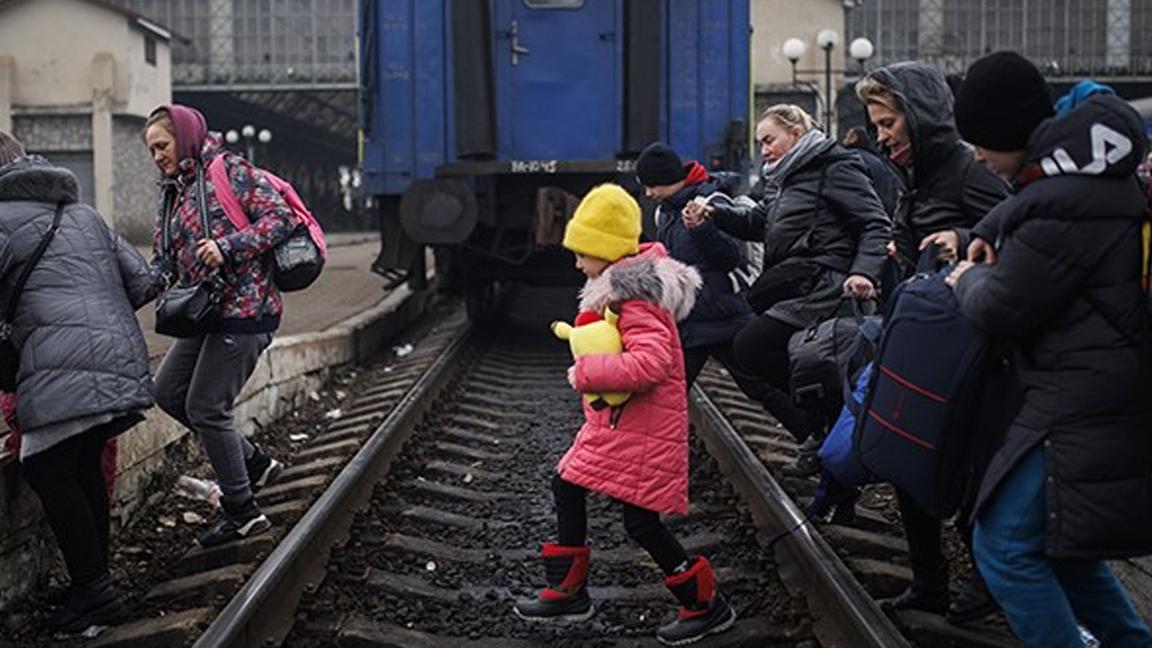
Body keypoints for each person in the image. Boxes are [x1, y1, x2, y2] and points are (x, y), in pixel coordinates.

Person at [949, 51, 1152, 647]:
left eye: (983, 143)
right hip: (1097, 382)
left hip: (1080, 394)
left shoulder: (1063, 198)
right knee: (1061, 545)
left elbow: (1000, 308)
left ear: (1011, 134)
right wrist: (984, 231)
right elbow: (1041, 208)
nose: (979, 157)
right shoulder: (1083, 170)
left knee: (1005, 545)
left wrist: (966, 279)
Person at [513, 184, 736, 645]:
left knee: (641, 522)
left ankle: (705, 603)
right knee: (566, 483)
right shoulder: (620, 286)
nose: (576, 263)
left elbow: (652, 364)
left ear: (608, 252)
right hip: (620, 424)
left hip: (641, 427)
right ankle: (569, 590)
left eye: (583, 253)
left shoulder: (633, 297)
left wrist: (586, 373)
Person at [855, 61, 1011, 623]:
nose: (881, 136)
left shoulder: (970, 172)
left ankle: (990, 587)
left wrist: (965, 237)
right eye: (875, 125)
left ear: (918, 116)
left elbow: (1017, 234)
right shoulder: (913, 176)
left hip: (970, 356)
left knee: (966, 474)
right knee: (907, 463)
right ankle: (929, 583)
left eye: (888, 121)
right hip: (922, 347)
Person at [0, 131, 157, 633]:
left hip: (58, 363)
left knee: (46, 467)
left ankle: (95, 589)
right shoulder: (84, 213)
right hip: (120, 358)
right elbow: (142, 281)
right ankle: (97, 583)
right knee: (83, 461)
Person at [683, 104, 890, 477]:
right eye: (760, 142)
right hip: (799, 287)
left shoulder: (834, 167)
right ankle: (827, 432)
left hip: (828, 287)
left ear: (795, 133)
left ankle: (825, 423)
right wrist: (715, 214)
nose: (763, 150)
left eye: (769, 140)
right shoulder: (785, 178)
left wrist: (863, 272)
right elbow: (758, 222)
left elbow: (875, 223)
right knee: (791, 361)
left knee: (750, 345)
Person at [143, 105, 293, 547]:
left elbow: (280, 218)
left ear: (185, 138)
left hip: (247, 311)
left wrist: (228, 247)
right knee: (168, 392)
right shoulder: (174, 190)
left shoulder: (229, 170)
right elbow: (163, 259)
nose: (156, 156)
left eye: (162, 145)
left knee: (208, 408)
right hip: (206, 314)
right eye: (151, 149)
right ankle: (254, 465)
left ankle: (243, 511)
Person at [635, 142, 812, 442]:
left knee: (759, 387)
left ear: (668, 179)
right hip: (693, 320)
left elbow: (730, 258)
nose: (648, 194)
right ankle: (647, 459)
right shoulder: (666, 211)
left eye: (652, 186)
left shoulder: (711, 202)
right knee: (669, 395)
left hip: (723, 317)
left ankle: (816, 443)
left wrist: (702, 229)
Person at [841, 126, 900, 218]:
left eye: (848, 136)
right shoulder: (878, 160)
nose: (844, 139)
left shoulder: (850, 158)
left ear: (855, 138)